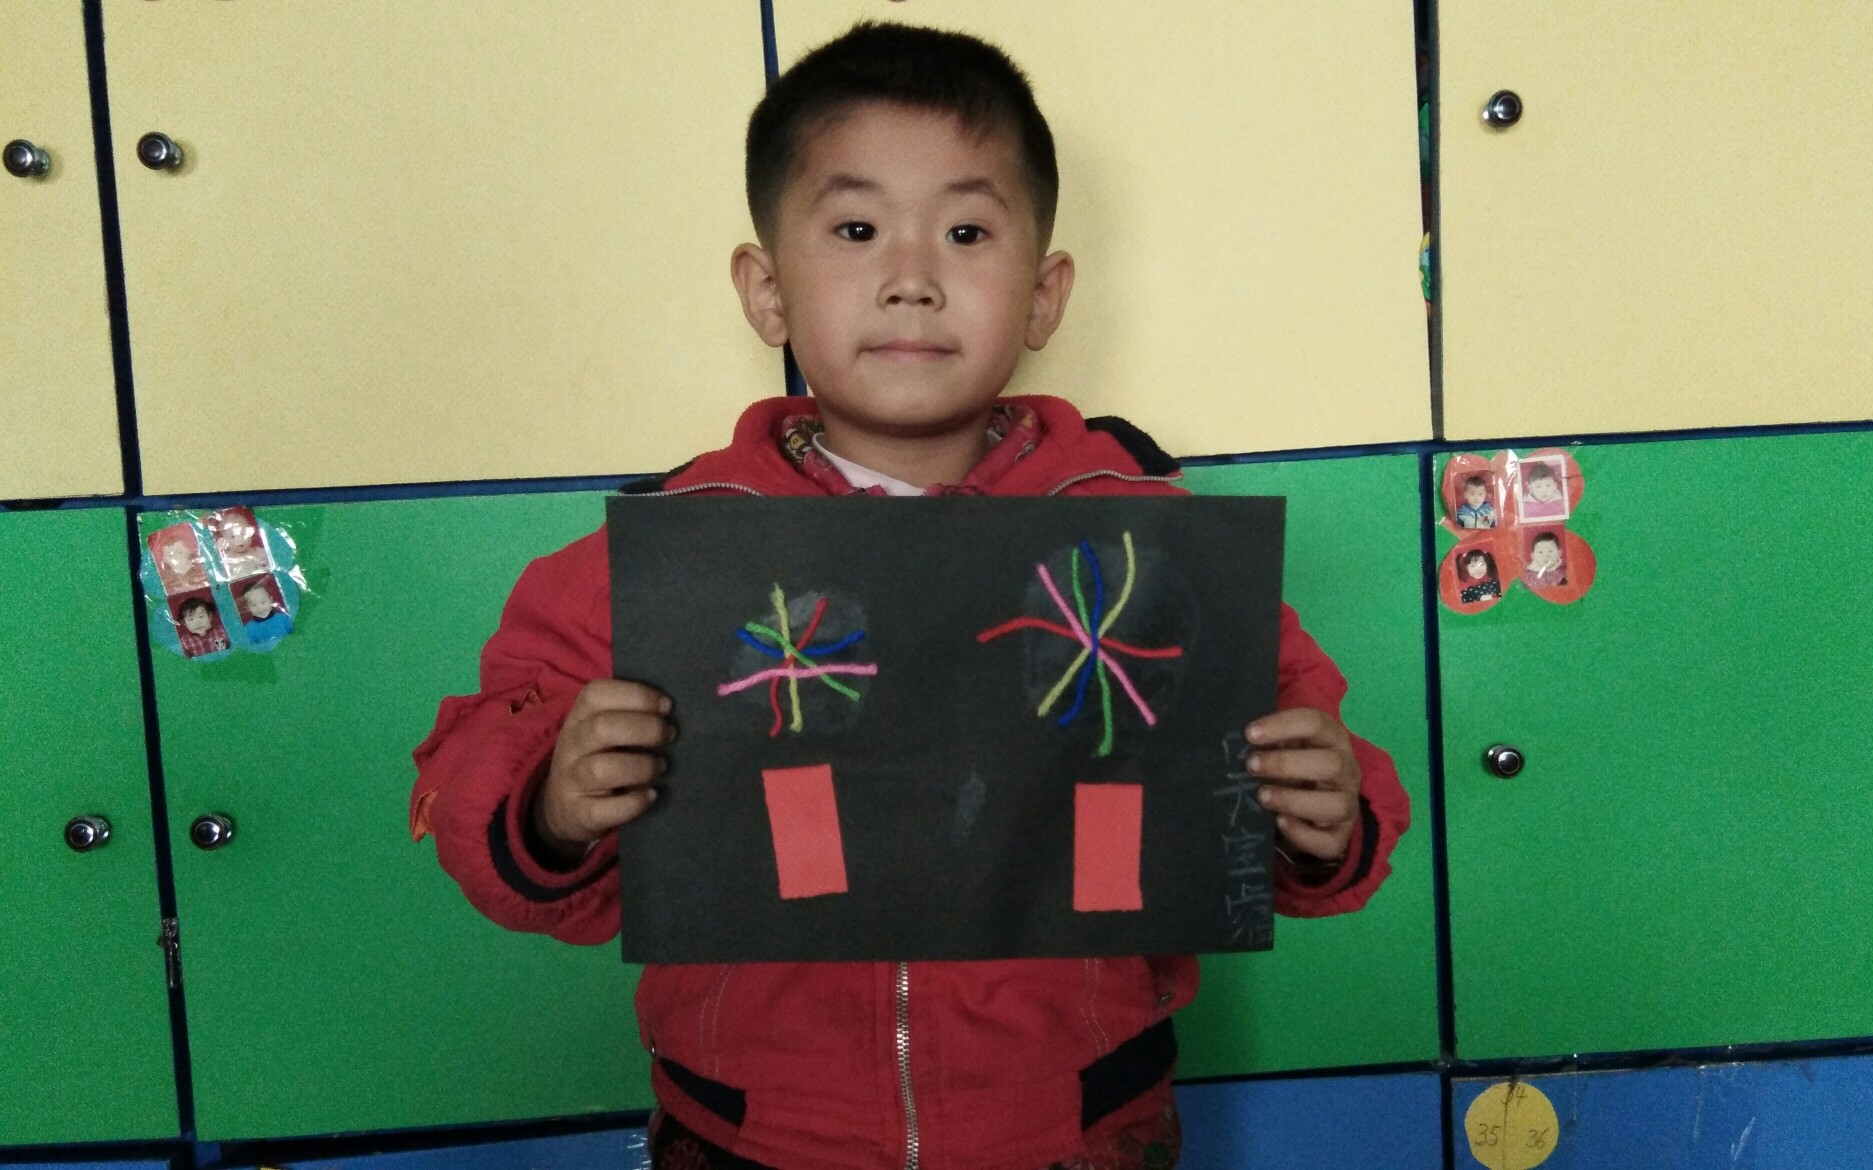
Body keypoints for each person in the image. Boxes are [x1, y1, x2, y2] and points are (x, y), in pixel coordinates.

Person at [412, 23, 1409, 1170]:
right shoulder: (675, 551)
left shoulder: (1144, 543)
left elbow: (1296, 783)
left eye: (967, 232)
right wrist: (550, 805)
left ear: (1043, 296)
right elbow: (477, 797)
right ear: (765, 291)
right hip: (752, 1138)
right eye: (855, 230)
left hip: (1079, 1129)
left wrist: (1323, 820)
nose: (911, 278)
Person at [235, 576, 294, 645]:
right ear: (248, 608)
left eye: (263, 602)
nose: (260, 608)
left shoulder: (284, 619)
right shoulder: (248, 629)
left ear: (271, 600)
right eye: (254, 605)